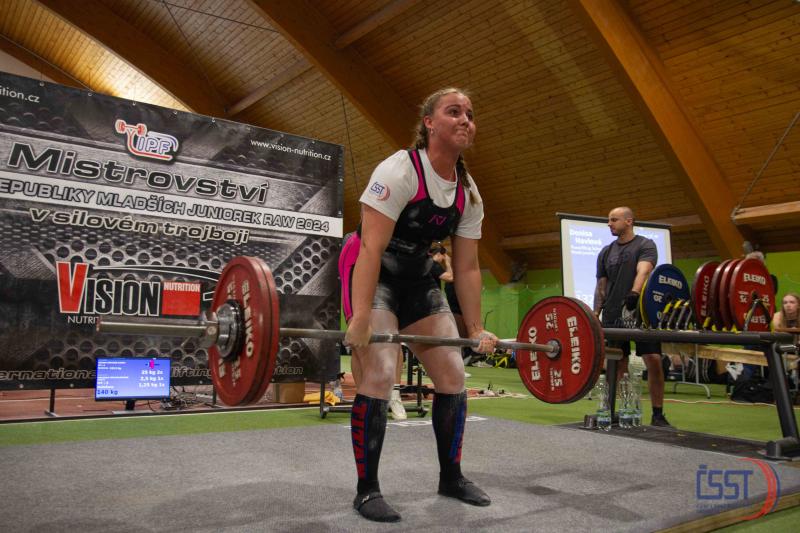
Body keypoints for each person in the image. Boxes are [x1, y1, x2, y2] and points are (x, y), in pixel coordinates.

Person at [340, 87, 497, 522]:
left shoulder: (467, 192)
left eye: (469, 114)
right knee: (380, 373)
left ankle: (452, 478)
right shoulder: (400, 170)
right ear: (429, 123)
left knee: (453, 374)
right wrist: (360, 317)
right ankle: (367, 491)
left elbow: (467, 268)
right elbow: (370, 249)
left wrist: (474, 329)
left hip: (416, 277)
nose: (465, 120)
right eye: (454, 112)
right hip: (374, 273)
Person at [593, 206, 671, 427]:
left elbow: (644, 270)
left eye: (613, 220)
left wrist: (634, 293)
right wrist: (595, 313)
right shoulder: (605, 252)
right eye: (609, 220)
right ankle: (625, 410)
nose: (609, 224)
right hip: (613, 314)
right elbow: (601, 286)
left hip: (642, 312)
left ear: (629, 221)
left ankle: (658, 414)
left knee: (654, 360)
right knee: (618, 363)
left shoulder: (645, 245)